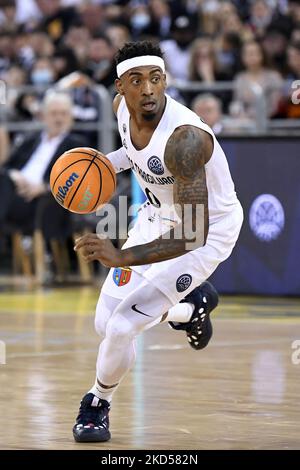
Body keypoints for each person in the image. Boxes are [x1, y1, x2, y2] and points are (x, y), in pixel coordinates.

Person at [73, 41, 243, 443]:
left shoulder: (185, 139)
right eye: (137, 81)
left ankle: (97, 404)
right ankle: (189, 310)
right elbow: (132, 154)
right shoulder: (121, 113)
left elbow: (192, 231)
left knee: (121, 327)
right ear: (120, 88)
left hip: (206, 230)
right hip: (156, 217)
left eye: (156, 79)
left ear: (165, 81)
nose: (148, 89)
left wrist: (121, 255)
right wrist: (98, 166)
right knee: (104, 323)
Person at [0, 92, 86, 244]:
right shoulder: (30, 139)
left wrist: (45, 187)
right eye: (54, 113)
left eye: (63, 114)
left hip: (41, 201)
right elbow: (7, 167)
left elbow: (80, 180)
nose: (59, 119)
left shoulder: (77, 145)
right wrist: (14, 176)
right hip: (13, 191)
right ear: (44, 116)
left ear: (71, 117)